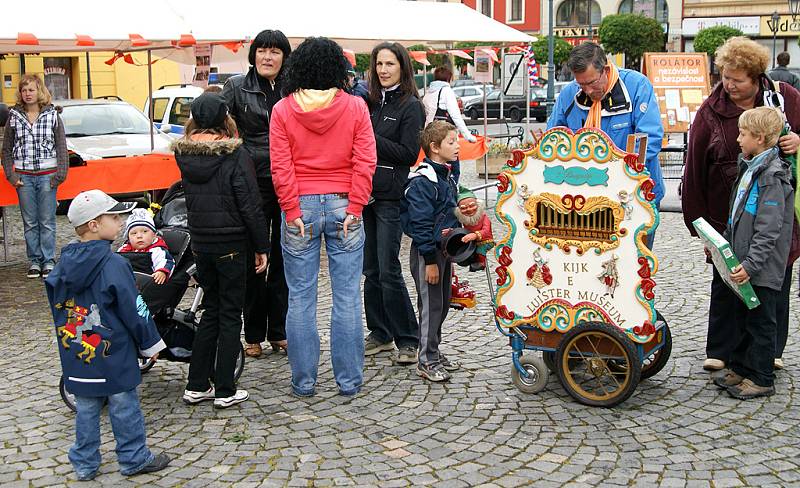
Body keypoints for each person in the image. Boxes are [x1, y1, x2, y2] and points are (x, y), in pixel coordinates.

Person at [682, 37, 800, 372]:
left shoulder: (784, 97)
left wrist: (798, 139)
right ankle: (722, 349)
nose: (729, 85)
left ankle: (767, 352)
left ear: (756, 77)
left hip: (775, 213)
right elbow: (693, 169)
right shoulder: (711, 109)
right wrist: (699, 225)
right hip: (726, 213)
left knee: (773, 280)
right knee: (726, 281)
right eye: (724, 77)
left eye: (737, 79)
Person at [270, 37, 376, 397]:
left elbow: (280, 166)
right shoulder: (355, 107)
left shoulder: (282, 110)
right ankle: (349, 381)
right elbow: (366, 160)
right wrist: (357, 206)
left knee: (300, 297)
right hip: (344, 203)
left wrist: (291, 208)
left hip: (301, 205)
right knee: (347, 296)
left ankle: (304, 381)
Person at [45, 190, 170, 481]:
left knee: (87, 407)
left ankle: (85, 463)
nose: (121, 222)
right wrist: (151, 342)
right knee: (124, 405)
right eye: (114, 217)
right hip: (115, 352)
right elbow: (134, 308)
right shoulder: (115, 264)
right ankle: (134, 457)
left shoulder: (62, 265)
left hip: (77, 349)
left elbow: (58, 308)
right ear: (94, 225)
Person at [173, 93, 269, 409]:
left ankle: (197, 384)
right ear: (225, 119)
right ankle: (225, 388)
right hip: (231, 244)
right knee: (229, 315)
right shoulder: (234, 155)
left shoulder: (184, 155)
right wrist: (261, 246)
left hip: (201, 244)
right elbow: (250, 204)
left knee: (211, 312)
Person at [711, 107, 794, 399]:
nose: (737, 139)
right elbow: (737, 216)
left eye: (743, 134)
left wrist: (751, 263)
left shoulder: (772, 176)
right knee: (741, 319)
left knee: (760, 323)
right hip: (744, 262)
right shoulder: (750, 167)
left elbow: (769, 229)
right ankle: (741, 368)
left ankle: (761, 377)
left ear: (759, 138)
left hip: (760, 268)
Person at [547, 42, 665, 244]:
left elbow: (650, 139)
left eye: (592, 83)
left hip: (635, 195)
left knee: (634, 263)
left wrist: (615, 174)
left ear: (605, 69)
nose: (588, 90)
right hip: (586, 198)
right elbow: (552, 138)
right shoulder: (569, 94)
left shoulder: (637, 86)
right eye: (581, 84)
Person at [222, 29, 291, 357]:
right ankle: (252, 333)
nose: (267, 57)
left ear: (284, 57)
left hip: (288, 180)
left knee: (284, 258)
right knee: (254, 258)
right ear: (253, 55)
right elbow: (223, 133)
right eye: (262, 50)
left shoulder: (294, 88)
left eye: (275, 51)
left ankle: (278, 329)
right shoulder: (236, 87)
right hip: (251, 183)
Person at [364, 42, 426, 364]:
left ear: (402, 67)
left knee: (388, 268)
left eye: (389, 64)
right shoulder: (370, 101)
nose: (383, 70)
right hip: (365, 194)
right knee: (370, 268)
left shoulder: (410, 105)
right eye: (379, 65)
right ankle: (379, 332)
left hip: (389, 196)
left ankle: (408, 338)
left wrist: (369, 140)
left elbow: (407, 153)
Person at [400, 121, 461, 382]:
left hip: (443, 252)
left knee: (442, 304)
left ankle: (433, 350)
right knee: (431, 306)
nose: (458, 145)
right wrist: (430, 260)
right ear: (435, 148)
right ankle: (426, 360)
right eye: (451, 142)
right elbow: (421, 222)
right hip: (429, 254)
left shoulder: (445, 173)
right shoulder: (424, 180)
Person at [2, 74, 68, 279]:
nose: (27, 94)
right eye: (24, 90)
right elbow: (6, 150)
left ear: (39, 91)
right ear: (20, 93)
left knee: (47, 220)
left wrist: (60, 175)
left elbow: (61, 146)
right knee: (29, 221)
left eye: (31, 89)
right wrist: (12, 177)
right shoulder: (14, 117)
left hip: (48, 175)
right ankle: (34, 260)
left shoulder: (52, 115)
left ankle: (48, 259)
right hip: (24, 177)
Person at [422, 66, 477, 183]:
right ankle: (451, 192)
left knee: (433, 168)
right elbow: (456, 115)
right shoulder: (446, 91)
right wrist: (468, 136)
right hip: (445, 135)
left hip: (431, 135)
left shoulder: (429, 92)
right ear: (449, 78)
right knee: (453, 169)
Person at [117, 208, 175, 285]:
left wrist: (161, 271)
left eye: (145, 231)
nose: (139, 236)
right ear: (128, 238)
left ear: (154, 235)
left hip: (146, 284)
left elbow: (166, 261)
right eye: (134, 233)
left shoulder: (157, 250)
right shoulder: (123, 249)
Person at [453, 186, 494, 272]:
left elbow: (486, 231)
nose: (469, 210)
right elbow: (459, 229)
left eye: (472, 206)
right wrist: (451, 231)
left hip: (485, 240)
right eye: (463, 208)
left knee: (480, 249)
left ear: (478, 205)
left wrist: (475, 235)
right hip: (472, 241)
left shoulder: (483, 217)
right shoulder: (464, 219)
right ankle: (468, 260)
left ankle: (481, 263)